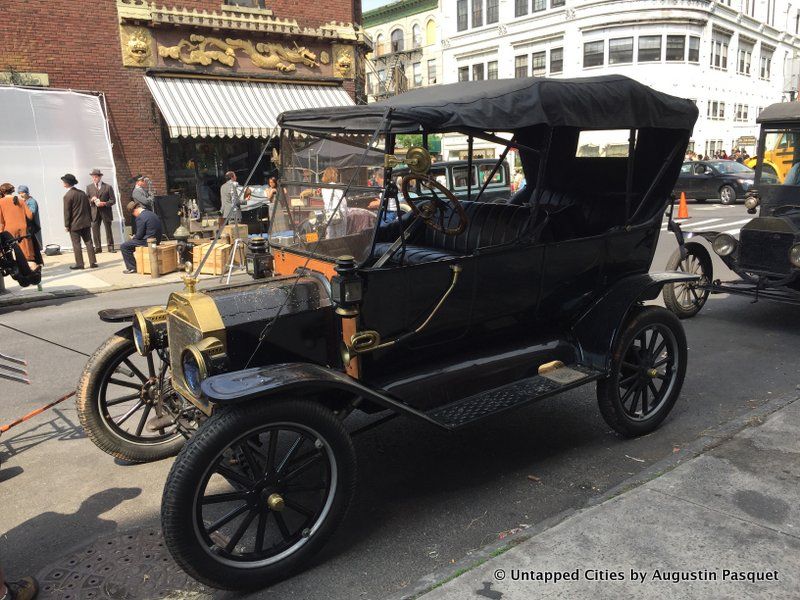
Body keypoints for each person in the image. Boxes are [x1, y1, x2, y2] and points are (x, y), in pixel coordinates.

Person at [0, 184, 41, 273]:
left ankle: (20, 272)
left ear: (2, 192)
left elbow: (1, 221)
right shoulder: (21, 201)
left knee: (14, 251)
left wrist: (1, 231)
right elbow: (30, 216)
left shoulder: (0, 202)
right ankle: (34, 273)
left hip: (9, 231)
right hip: (23, 229)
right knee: (28, 254)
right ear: (12, 191)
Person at [62, 173, 97, 270]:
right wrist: (90, 219)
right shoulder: (82, 193)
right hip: (86, 222)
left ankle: (80, 264)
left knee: (76, 244)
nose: (63, 183)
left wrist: (66, 225)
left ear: (67, 183)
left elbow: (67, 212)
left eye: (64, 182)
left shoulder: (68, 195)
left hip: (74, 224)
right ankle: (93, 262)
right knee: (89, 242)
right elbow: (88, 208)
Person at [120, 201, 163, 274]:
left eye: (133, 214)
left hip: (147, 241)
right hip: (157, 240)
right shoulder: (151, 213)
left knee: (124, 246)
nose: (134, 216)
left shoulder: (140, 217)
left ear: (135, 211)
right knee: (130, 244)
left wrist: (133, 238)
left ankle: (132, 268)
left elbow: (139, 235)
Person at [87, 168, 117, 253]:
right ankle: (98, 248)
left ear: (100, 177)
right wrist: (91, 200)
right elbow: (87, 199)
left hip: (105, 211)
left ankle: (110, 247)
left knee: (108, 229)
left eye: (96, 177)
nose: (94, 178)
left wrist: (104, 203)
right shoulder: (89, 187)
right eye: (93, 177)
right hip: (94, 212)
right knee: (95, 230)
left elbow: (113, 200)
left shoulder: (108, 187)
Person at [321, 166, 347, 238]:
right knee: (340, 236)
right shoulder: (337, 187)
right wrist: (346, 212)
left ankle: (330, 248)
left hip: (329, 215)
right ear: (334, 175)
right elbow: (343, 202)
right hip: (339, 214)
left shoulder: (323, 188)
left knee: (330, 235)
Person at [16, 186, 41, 250]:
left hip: (32, 225)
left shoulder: (32, 201)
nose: (21, 195)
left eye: (22, 193)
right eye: (19, 193)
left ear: (27, 192)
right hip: (26, 225)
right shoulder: (23, 201)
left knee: (34, 243)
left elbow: (31, 213)